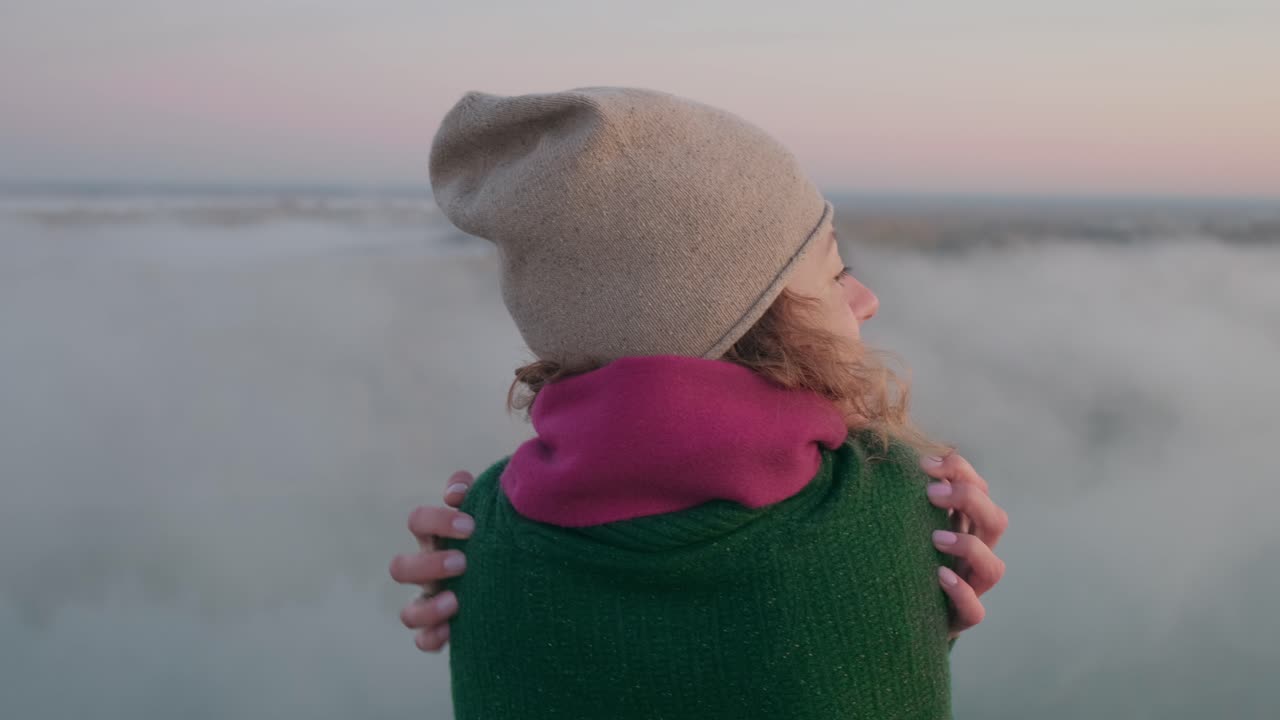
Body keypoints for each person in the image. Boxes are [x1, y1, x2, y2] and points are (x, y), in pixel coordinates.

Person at [390, 86, 1009, 719]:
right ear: (758, 328)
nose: (865, 298)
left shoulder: (479, 540)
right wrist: (923, 606)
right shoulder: (901, 500)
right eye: (831, 273)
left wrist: (485, 563)